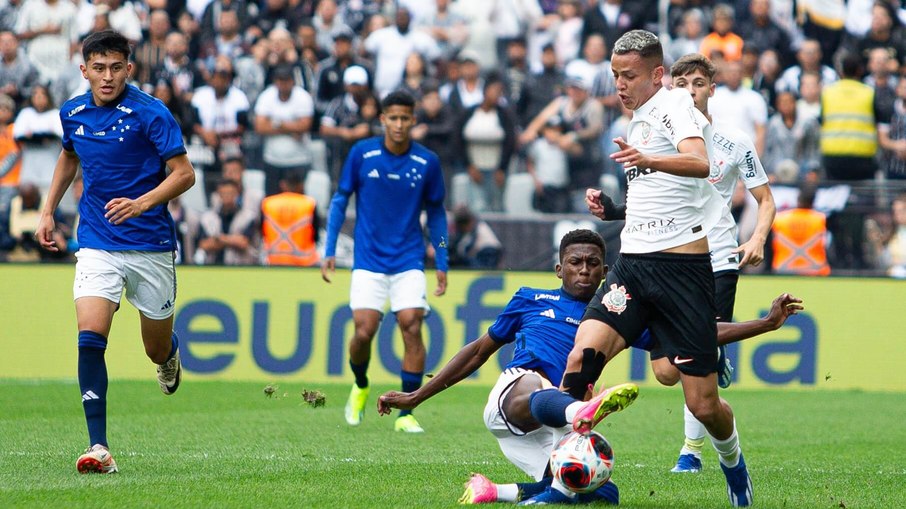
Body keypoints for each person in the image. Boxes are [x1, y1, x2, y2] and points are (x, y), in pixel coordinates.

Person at [377, 229, 804, 505]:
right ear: (559, 268)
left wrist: (765, 324)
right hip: (516, 398)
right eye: (576, 262)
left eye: (593, 263)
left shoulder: (619, 316)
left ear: (606, 271)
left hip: (552, 432)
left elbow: (698, 334)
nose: (584, 270)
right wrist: (416, 396)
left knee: (597, 495)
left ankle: (499, 492)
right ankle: (576, 409)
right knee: (535, 384)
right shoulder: (530, 298)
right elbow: (477, 351)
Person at [524, 30, 754, 506]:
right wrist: (612, 209)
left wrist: (648, 157)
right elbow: (655, 194)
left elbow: (698, 160)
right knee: (579, 364)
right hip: (632, 266)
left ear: (656, 74)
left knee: (702, 404)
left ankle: (734, 468)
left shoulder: (675, 106)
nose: (619, 85)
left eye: (628, 76)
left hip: (683, 274)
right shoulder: (637, 121)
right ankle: (565, 484)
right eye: (614, 76)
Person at [35, 30, 195, 474]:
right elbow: (70, 155)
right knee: (90, 335)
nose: (107, 77)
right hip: (97, 243)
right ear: (83, 70)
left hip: (150, 245)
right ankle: (99, 447)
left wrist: (142, 202)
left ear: (130, 68)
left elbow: (184, 174)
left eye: (116, 68)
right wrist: (48, 211)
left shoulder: (151, 113)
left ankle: (169, 357)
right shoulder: (73, 111)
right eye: (98, 68)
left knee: (154, 347)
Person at [322, 89, 449, 434]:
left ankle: (406, 412)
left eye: (404, 118)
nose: (398, 124)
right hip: (368, 260)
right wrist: (329, 247)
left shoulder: (427, 162)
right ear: (382, 120)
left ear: (413, 120)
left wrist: (442, 258)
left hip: (408, 259)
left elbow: (437, 215)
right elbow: (339, 199)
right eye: (392, 117)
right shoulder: (362, 154)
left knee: (411, 324)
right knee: (364, 331)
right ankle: (361, 384)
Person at [261, 172, 319, 267]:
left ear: (283, 185)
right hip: (304, 262)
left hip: (274, 260)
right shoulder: (309, 203)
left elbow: (262, 231)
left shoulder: (268, 203)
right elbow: (315, 235)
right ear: (301, 186)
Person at [770, 184, 830, 276]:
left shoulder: (780, 218)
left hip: (783, 268)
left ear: (798, 199)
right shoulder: (820, 219)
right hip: (816, 270)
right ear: (813, 201)